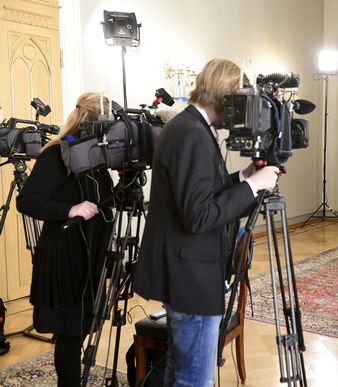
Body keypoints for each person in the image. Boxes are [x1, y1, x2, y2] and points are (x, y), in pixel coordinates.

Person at [133, 58, 280, 387]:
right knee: (192, 379)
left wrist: (244, 178)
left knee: (179, 370)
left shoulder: (189, 127)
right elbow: (199, 216)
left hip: (185, 273)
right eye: (240, 101)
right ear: (224, 97)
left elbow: (202, 192)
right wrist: (253, 187)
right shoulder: (192, 134)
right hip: (191, 279)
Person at [16, 92, 115, 386]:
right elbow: (27, 201)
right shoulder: (57, 152)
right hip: (65, 254)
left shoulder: (96, 155)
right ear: (91, 120)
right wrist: (69, 209)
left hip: (90, 252)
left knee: (80, 327)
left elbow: (100, 200)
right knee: (71, 333)